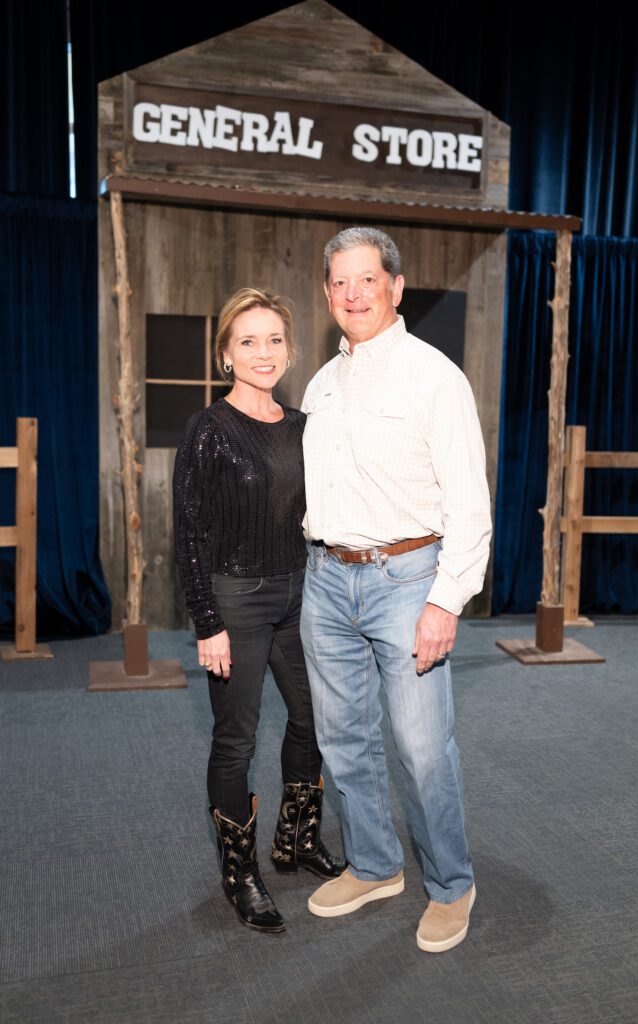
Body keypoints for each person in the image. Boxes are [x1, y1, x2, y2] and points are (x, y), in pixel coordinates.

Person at [299, 228, 491, 953]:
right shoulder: (320, 382)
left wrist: (445, 601)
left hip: (408, 581)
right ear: (326, 294)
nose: (352, 294)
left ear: (395, 286)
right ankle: (375, 864)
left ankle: (451, 884)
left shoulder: (433, 377)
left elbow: (468, 503)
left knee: (420, 746)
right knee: (343, 739)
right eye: (339, 283)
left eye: (366, 280)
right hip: (326, 580)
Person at [173, 287, 344, 935]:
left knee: (311, 718)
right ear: (225, 354)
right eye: (247, 340)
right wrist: (206, 622)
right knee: (235, 739)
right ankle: (239, 874)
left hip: (302, 593)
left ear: (290, 349)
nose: (263, 352)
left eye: (274, 339)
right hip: (235, 600)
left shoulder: (304, 427)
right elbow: (187, 534)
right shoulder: (208, 430)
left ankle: (295, 839)